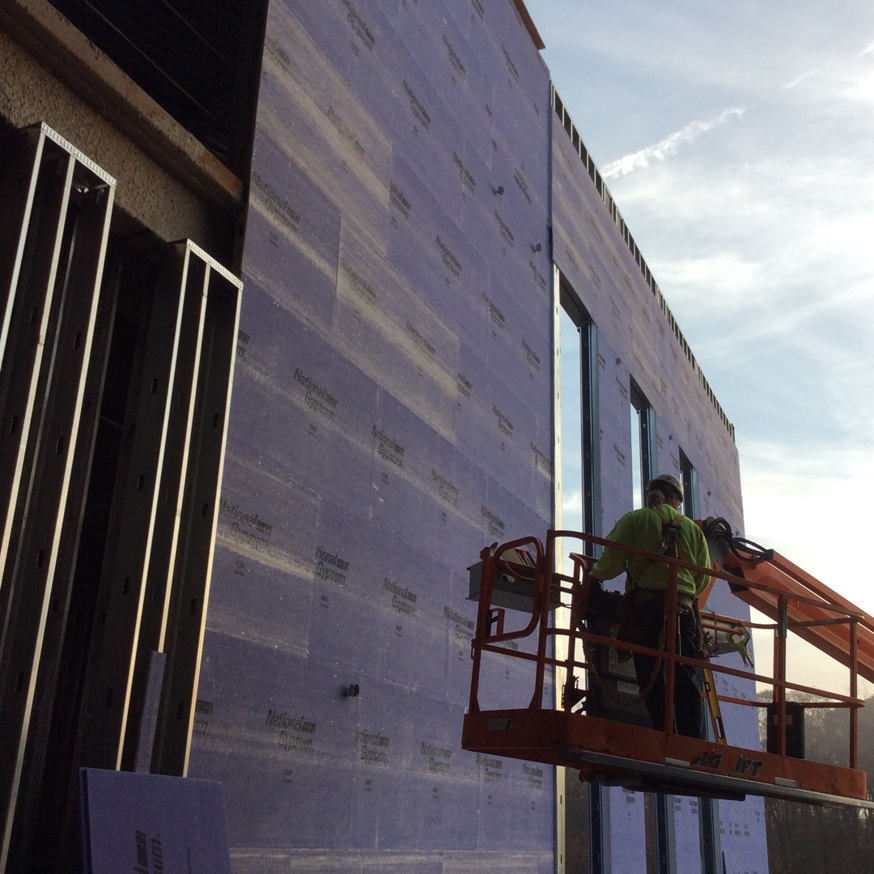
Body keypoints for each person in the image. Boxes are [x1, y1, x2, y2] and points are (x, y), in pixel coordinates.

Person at [589, 474, 711, 738]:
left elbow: (611, 561)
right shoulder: (693, 530)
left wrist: (593, 577)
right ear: (677, 501)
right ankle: (692, 743)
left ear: (652, 495)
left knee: (651, 676)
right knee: (687, 676)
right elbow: (702, 579)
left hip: (646, 611)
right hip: (684, 613)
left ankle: (662, 736)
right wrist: (684, 595)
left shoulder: (636, 519)